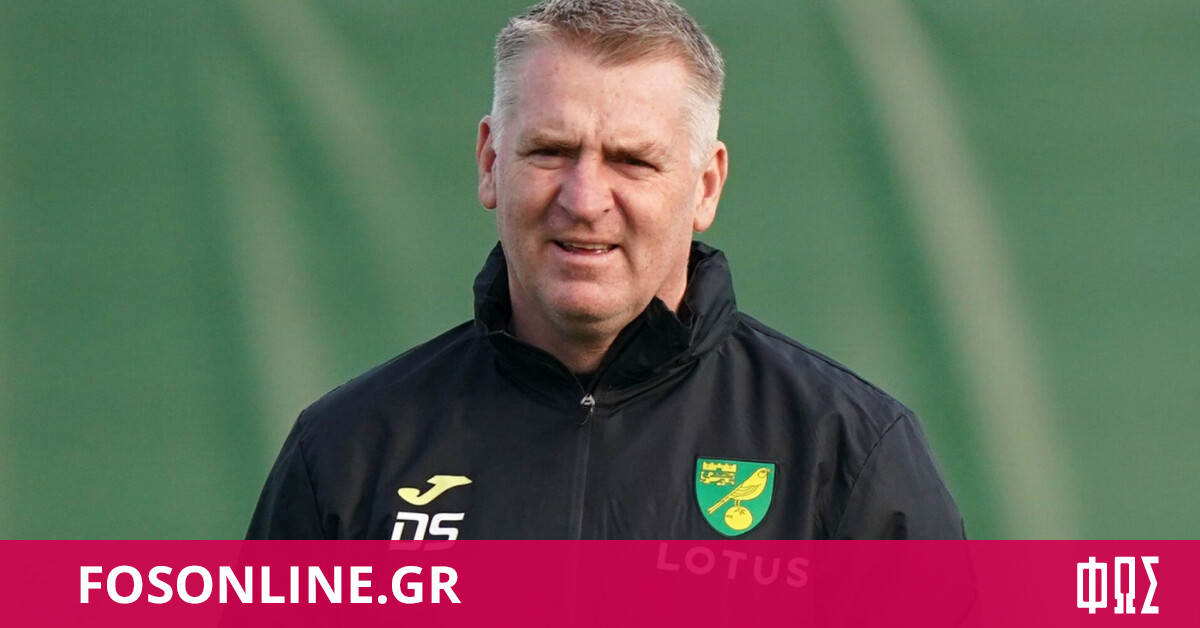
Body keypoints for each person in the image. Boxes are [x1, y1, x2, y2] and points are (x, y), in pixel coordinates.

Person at [247, 0, 964, 540]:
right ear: (491, 163)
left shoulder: (847, 454)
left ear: (705, 186)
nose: (585, 199)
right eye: (551, 151)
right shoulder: (346, 453)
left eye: (633, 160)